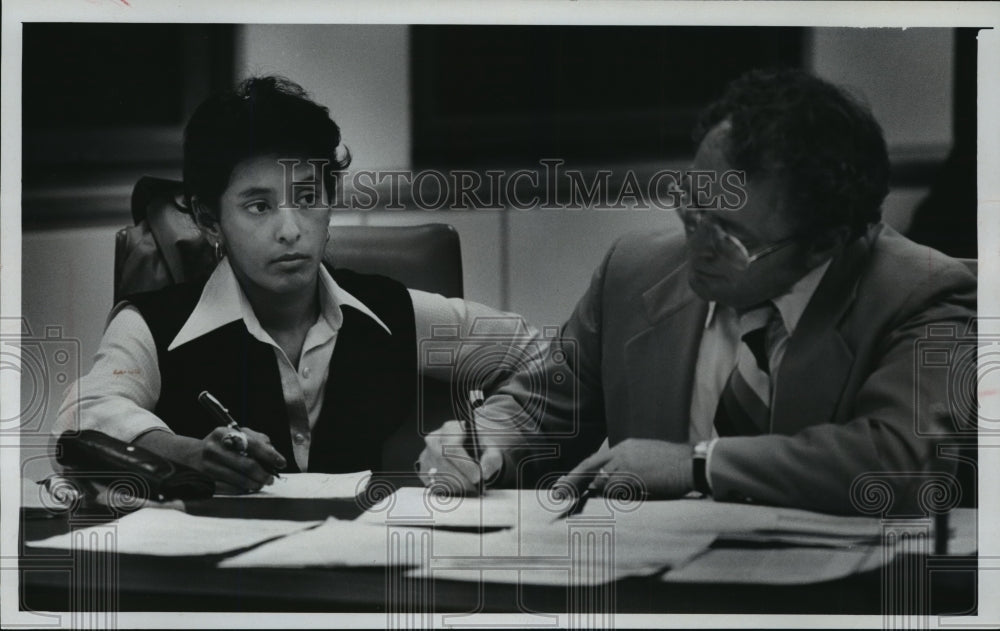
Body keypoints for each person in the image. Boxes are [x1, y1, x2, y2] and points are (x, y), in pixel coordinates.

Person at [418, 68, 977, 514]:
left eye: (730, 236)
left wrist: (698, 464)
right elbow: (541, 408)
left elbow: (904, 462)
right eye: (692, 206)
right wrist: (480, 440)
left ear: (825, 243)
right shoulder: (633, 270)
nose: (696, 245)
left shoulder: (922, 293)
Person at [53, 76, 526, 494]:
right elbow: (78, 422)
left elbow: (541, 354)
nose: (291, 229)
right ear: (208, 219)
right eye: (259, 206)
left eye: (307, 197)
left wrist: (486, 438)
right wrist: (184, 452)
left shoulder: (389, 310)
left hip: (368, 574)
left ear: (330, 200)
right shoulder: (154, 324)